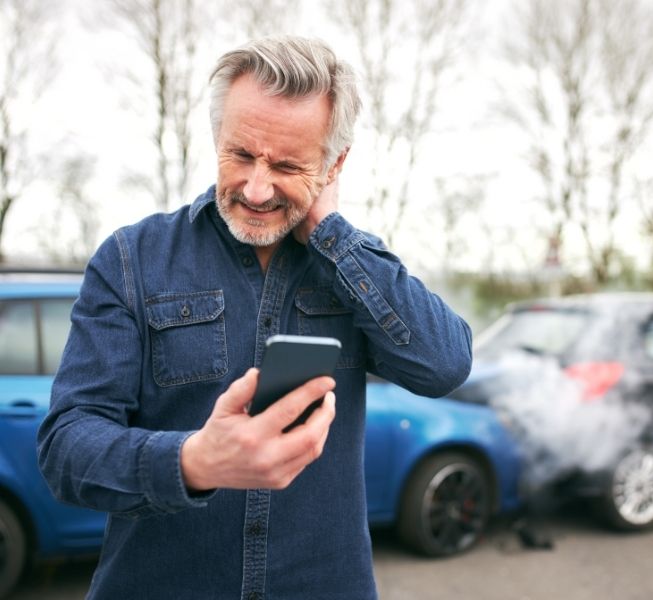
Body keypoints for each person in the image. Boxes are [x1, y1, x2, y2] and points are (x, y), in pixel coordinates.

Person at [37, 35, 472, 600]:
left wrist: (331, 235)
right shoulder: (132, 259)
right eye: (241, 155)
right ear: (217, 137)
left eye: (289, 165)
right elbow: (66, 449)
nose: (258, 188)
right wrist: (194, 460)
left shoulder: (355, 268)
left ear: (334, 164)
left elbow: (445, 364)